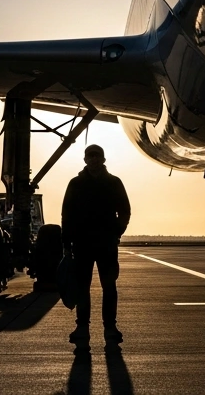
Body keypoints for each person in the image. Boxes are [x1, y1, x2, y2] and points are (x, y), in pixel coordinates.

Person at [61, 144, 131, 351]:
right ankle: (82, 327)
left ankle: (110, 328)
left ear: (103, 159)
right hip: (82, 245)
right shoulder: (75, 184)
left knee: (109, 286)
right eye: (90, 156)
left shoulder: (114, 183)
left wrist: (116, 232)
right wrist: (66, 244)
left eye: (96, 156)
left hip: (106, 244)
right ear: (85, 160)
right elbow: (67, 216)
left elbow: (125, 210)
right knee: (83, 288)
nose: (93, 159)